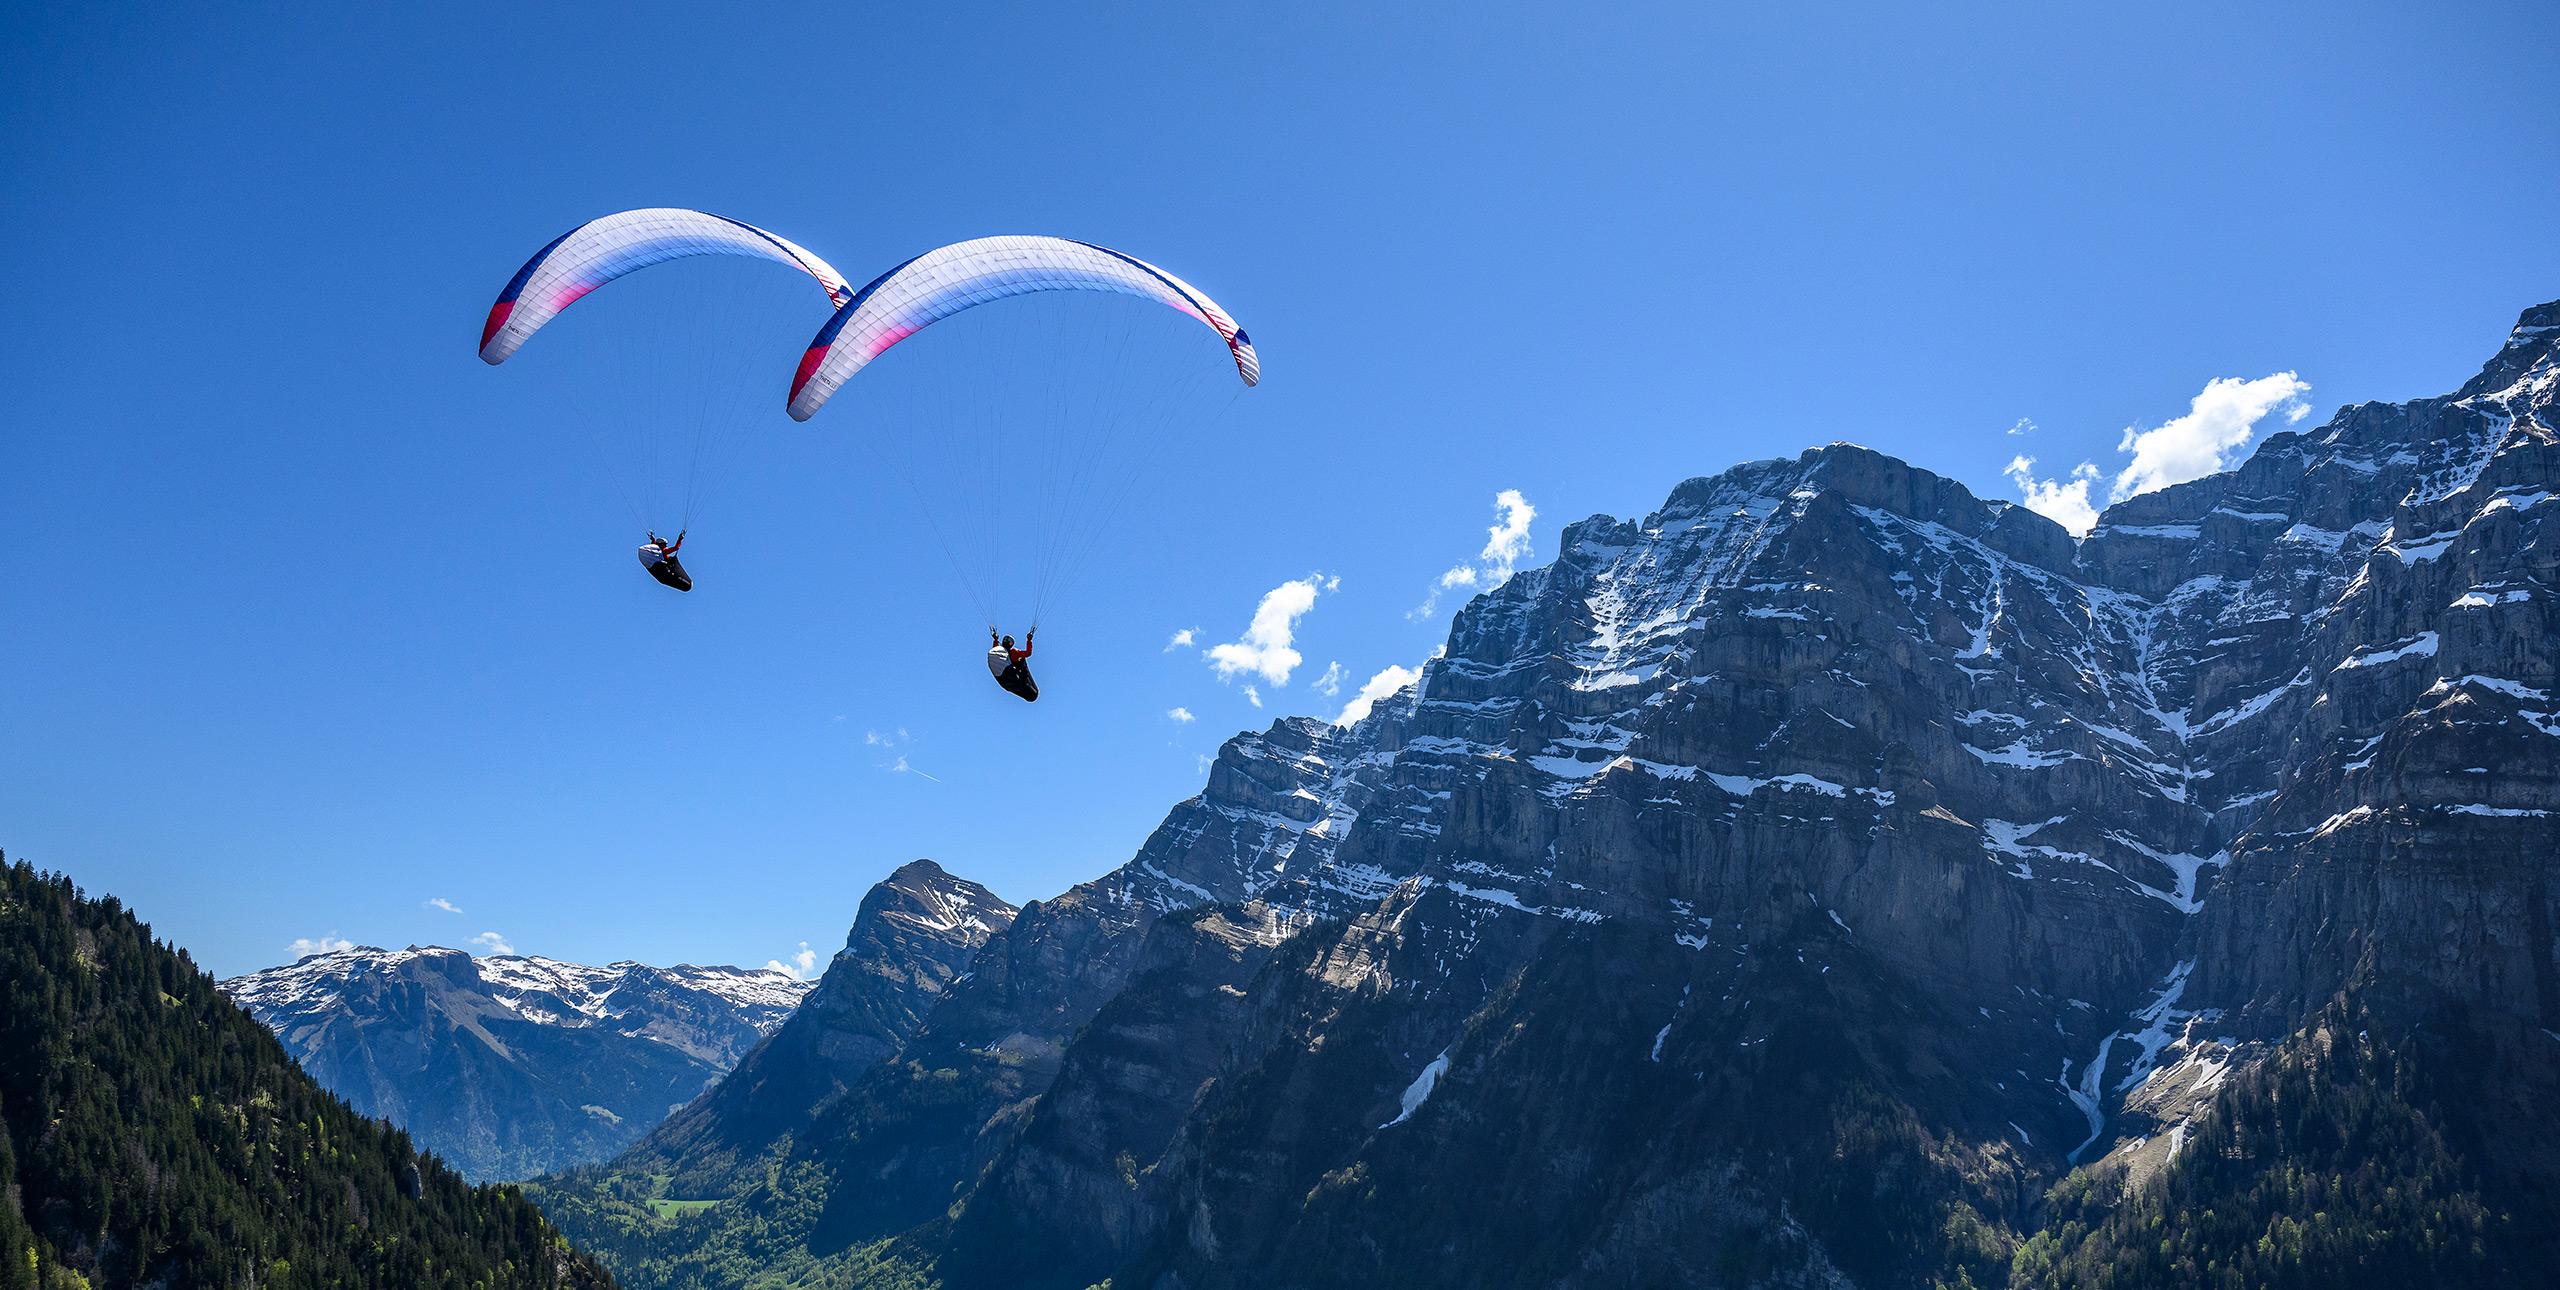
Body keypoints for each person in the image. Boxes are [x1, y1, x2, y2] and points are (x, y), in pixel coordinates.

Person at [988, 627, 1037, 702]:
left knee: (1031, 696)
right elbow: (1028, 653)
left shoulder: (1002, 653)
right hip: (1020, 677)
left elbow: (995, 651)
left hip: (1010, 681)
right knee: (1033, 695)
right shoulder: (1013, 652)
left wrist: (995, 640)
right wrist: (1029, 640)